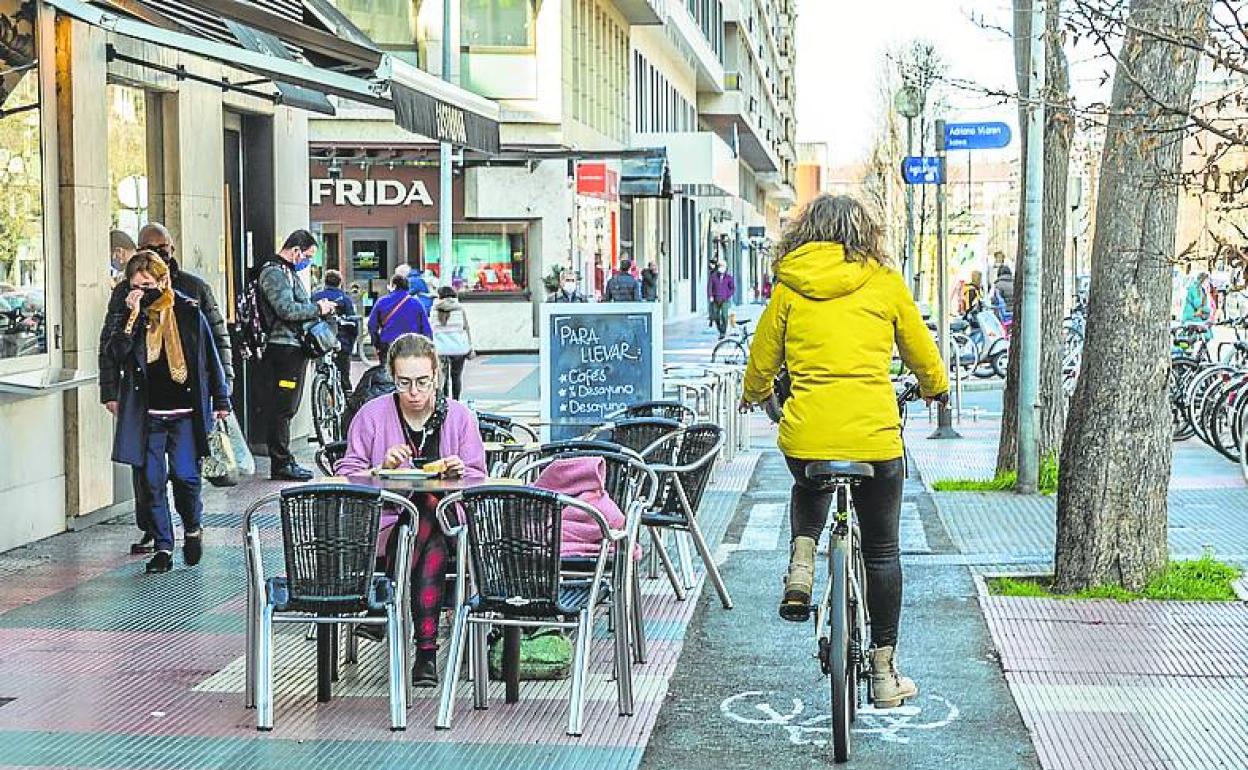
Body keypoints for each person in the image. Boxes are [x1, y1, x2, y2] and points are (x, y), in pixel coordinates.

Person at [740, 194, 948, 709]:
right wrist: (936, 388)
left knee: (808, 481)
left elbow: (761, 361)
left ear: (806, 232)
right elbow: (923, 353)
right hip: (875, 440)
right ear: (866, 233)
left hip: (807, 434)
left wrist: (755, 395)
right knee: (882, 551)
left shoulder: (790, 286)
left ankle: (802, 560)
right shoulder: (885, 282)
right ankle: (884, 673)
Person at [335, 333, 487, 686]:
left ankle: (386, 602)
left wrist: (461, 472)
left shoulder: (459, 417)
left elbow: (480, 478)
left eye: (422, 382)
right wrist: (379, 469)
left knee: (427, 507)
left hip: (452, 526)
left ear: (436, 375)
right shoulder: (372, 415)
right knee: (425, 519)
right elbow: (346, 475)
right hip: (387, 527)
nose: (414, 392)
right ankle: (426, 655)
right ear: (392, 377)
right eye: (404, 383)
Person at [99, 222, 233, 553]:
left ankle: (192, 527)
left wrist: (222, 394)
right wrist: (110, 390)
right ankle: (161, 544)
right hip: (147, 410)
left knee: (186, 476)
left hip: (185, 409)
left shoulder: (191, 298)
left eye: (161, 250)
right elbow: (111, 349)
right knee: (150, 480)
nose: (141, 290)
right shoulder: (128, 302)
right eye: (136, 285)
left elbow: (214, 344)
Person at [256, 229, 339, 481]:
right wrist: (318, 308)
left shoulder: (286, 272)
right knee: (283, 408)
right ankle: (281, 462)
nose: (308, 261)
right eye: (308, 256)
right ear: (295, 251)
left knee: (287, 407)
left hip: (292, 349)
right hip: (284, 350)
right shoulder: (274, 273)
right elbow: (286, 309)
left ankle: (283, 460)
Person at [368, 272, 432, 362]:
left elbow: (372, 325)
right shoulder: (416, 303)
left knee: (387, 368)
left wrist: (377, 344)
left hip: (388, 343)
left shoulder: (382, 302)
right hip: (411, 345)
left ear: (394, 286)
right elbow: (426, 328)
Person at [311, 269, 358, 391]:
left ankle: (321, 390)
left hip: (320, 341)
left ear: (325, 282)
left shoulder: (316, 297)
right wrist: (351, 343)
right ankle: (346, 394)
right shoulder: (345, 299)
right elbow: (353, 324)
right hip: (342, 341)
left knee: (321, 369)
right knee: (344, 375)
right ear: (340, 283)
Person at [430, 286, 474, 399]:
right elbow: (466, 328)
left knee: (442, 378)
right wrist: (470, 346)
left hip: (440, 349)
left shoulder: (434, 310)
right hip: (458, 348)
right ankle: (456, 401)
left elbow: (431, 329)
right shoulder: (460, 309)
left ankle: (445, 402)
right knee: (456, 377)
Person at [708, 260, 736, 338]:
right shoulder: (713, 277)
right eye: (720, 266)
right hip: (715, 299)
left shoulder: (729, 277)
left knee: (724, 315)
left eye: (722, 266)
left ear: (725, 267)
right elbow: (709, 287)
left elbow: (733, 288)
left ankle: (723, 331)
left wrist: (728, 295)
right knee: (716, 316)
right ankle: (720, 329)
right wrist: (710, 296)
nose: (721, 268)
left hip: (725, 300)